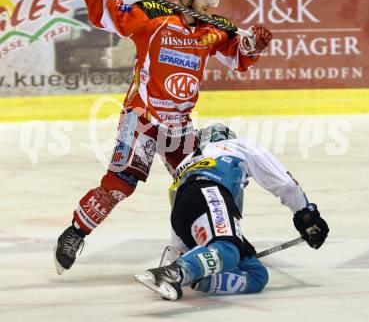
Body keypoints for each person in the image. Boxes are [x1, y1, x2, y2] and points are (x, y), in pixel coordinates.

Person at [53, 0, 272, 276]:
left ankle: (222, 235)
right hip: (142, 117)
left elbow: (238, 57)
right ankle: (75, 232)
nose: (211, 5)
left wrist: (253, 44)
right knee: (121, 182)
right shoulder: (152, 15)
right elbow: (105, 13)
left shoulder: (211, 29)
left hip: (179, 126)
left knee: (205, 178)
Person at [134, 123, 329, 300]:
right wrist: (307, 218)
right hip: (210, 192)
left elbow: (182, 218)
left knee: (256, 275)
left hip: (184, 212)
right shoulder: (237, 145)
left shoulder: (187, 164)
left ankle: (195, 277)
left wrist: (180, 253)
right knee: (228, 252)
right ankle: (172, 273)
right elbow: (287, 185)